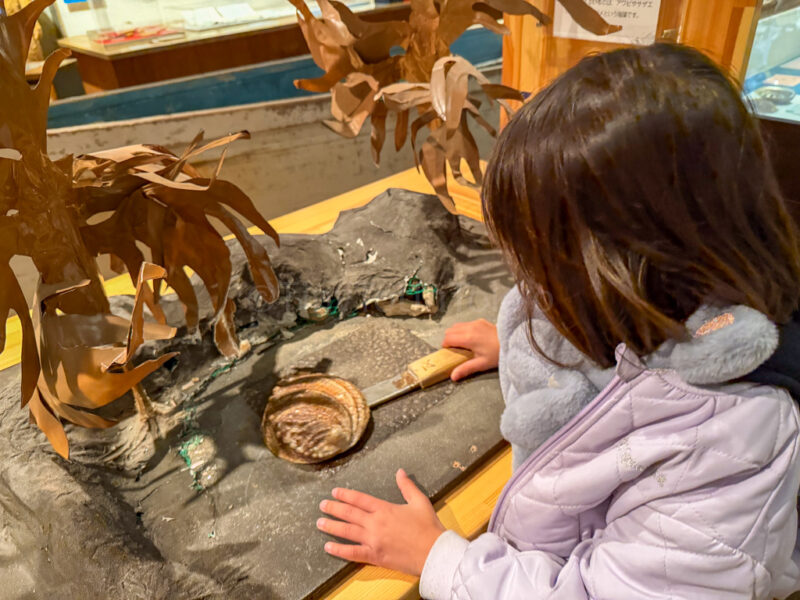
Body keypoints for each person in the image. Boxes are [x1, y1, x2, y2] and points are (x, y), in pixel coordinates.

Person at [315, 43, 800, 599]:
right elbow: (623, 365)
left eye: (547, 268)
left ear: (625, 269)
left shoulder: (733, 444)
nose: (533, 293)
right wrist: (535, 345)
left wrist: (441, 559)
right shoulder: (660, 303)